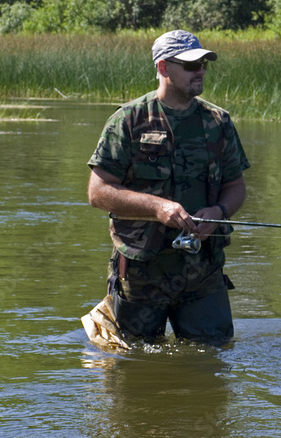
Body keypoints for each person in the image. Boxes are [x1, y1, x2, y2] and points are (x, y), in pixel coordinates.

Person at [86, 30, 250, 345]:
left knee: (212, 357)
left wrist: (219, 211)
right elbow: (98, 192)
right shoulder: (128, 120)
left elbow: (235, 186)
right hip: (140, 270)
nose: (200, 71)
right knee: (132, 360)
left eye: (203, 64)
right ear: (163, 67)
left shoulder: (219, 122)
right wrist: (158, 208)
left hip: (203, 270)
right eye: (191, 65)